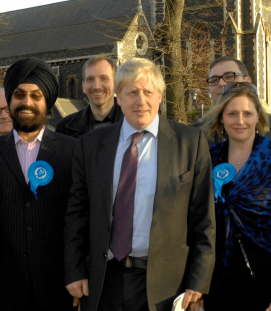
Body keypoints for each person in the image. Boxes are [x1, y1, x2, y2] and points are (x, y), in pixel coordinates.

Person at [64, 57, 216, 311]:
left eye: (148, 92)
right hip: (104, 282)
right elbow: (77, 214)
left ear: (159, 97)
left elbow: (204, 220)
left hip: (166, 286)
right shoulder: (90, 145)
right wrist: (74, 270)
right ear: (118, 97)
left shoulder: (190, 143)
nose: (141, 101)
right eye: (132, 92)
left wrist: (198, 281)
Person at [200, 82, 271, 311]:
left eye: (247, 113)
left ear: (258, 116)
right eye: (232, 114)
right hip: (220, 283)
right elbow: (199, 222)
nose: (240, 121)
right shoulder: (210, 158)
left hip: (268, 284)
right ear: (221, 118)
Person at [0, 58, 77, 310]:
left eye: (36, 95)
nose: (27, 102)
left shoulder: (73, 152)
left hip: (59, 290)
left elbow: (82, 220)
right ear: (10, 100)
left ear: (48, 102)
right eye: (19, 94)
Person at [202, 55, 271, 180]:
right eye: (214, 80)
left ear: (248, 81)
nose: (221, 83)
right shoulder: (196, 134)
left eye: (229, 76)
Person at [55, 55, 123, 138]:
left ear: (116, 84)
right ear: (84, 86)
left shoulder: (135, 122)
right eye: (90, 79)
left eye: (103, 78)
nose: (96, 87)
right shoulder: (64, 129)